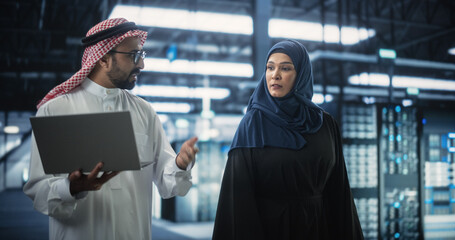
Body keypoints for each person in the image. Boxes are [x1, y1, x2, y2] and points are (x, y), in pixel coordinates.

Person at [23, 18, 198, 240]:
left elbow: (168, 184)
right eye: (134, 55)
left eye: (142, 55)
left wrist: (180, 164)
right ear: (104, 59)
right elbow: (38, 190)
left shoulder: (145, 112)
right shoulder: (55, 111)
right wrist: (70, 188)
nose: (141, 65)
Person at [212, 40, 364, 239]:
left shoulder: (325, 124)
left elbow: (339, 193)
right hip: (270, 230)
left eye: (285, 68)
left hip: (320, 229)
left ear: (301, 75)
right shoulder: (252, 125)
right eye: (270, 67)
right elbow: (238, 201)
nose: (275, 75)